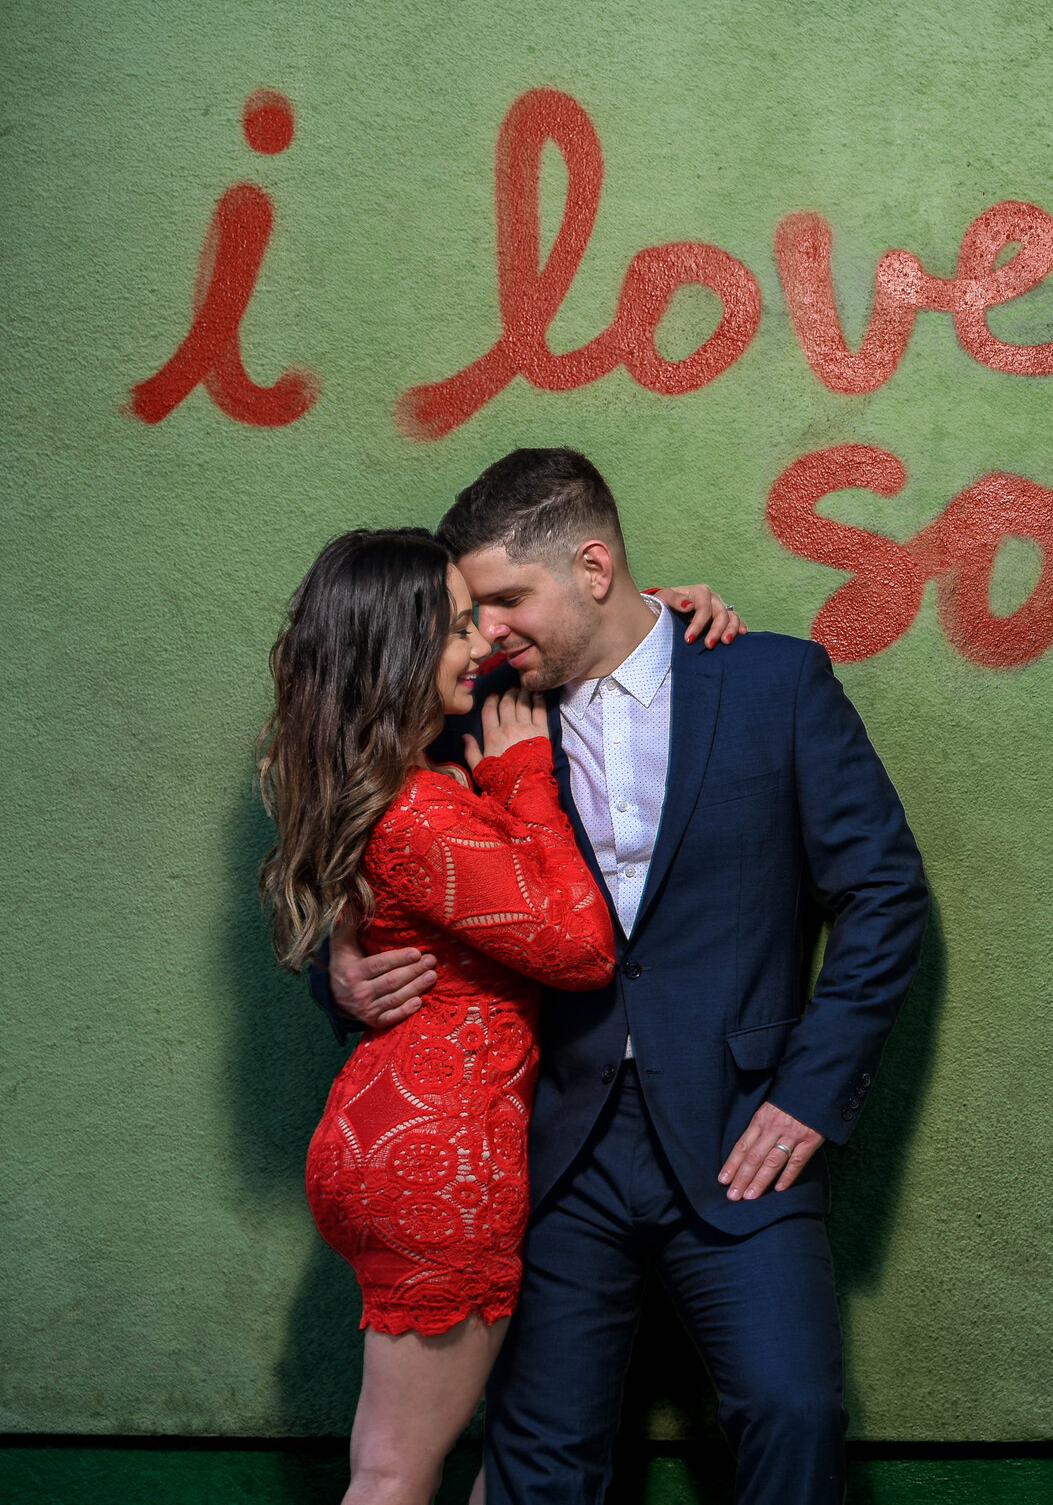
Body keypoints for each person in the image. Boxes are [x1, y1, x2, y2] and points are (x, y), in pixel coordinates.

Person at [316, 448, 928, 1505]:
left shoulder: (772, 681)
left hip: (743, 1132)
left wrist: (809, 1093)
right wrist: (337, 964)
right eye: (473, 609)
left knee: (794, 1411)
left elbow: (884, 894)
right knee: (538, 1457)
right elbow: (357, 825)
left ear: (593, 568)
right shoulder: (470, 710)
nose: (487, 630)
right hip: (550, 1143)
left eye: (507, 598)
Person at [264, 529, 616, 1505]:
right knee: (393, 1472)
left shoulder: (385, 784)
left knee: (425, 1460)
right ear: (400, 650)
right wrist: (524, 778)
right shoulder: (421, 810)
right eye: (459, 627)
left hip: (385, 1134)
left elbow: (593, 619)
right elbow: (581, 948)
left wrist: (666, 602)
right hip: (443, 1156)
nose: (482, 642)